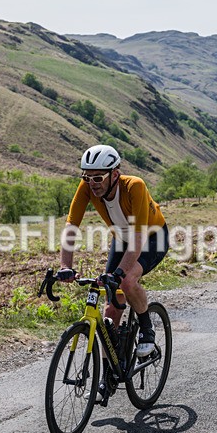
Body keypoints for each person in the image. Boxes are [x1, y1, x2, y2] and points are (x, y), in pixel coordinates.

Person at [58, 144, 169, 363]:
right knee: (110, 309)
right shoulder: (87, 187)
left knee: (126, 282)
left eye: (97, 178)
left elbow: (138, 240)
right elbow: (71, 226)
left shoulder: (134, 186)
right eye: (87, 177)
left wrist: (118, 274)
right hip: (122, 239)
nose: (92, 183)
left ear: (115, 174)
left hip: (152, 237)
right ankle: (110, 372)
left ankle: (147, 329)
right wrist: (65, 266)